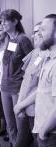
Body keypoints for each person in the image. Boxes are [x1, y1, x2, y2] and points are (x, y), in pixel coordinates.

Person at [15, 14, 56, 147]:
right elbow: (41, 90)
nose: (38, 35)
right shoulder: (49, 59)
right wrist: (20, 105)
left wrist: (43, 132)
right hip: (43, 127)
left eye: (43, 30)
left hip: (50, 133)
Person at [0, 9, 34, 147]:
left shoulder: (23, 39)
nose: (2, 24)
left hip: (18, 89)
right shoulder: (9, 39)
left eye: (5, 20)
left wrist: (24, 88)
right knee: (10, 125)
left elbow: (32, 66)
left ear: (15, 21)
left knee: (21, 127)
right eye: (1, 21)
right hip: (5, 87)